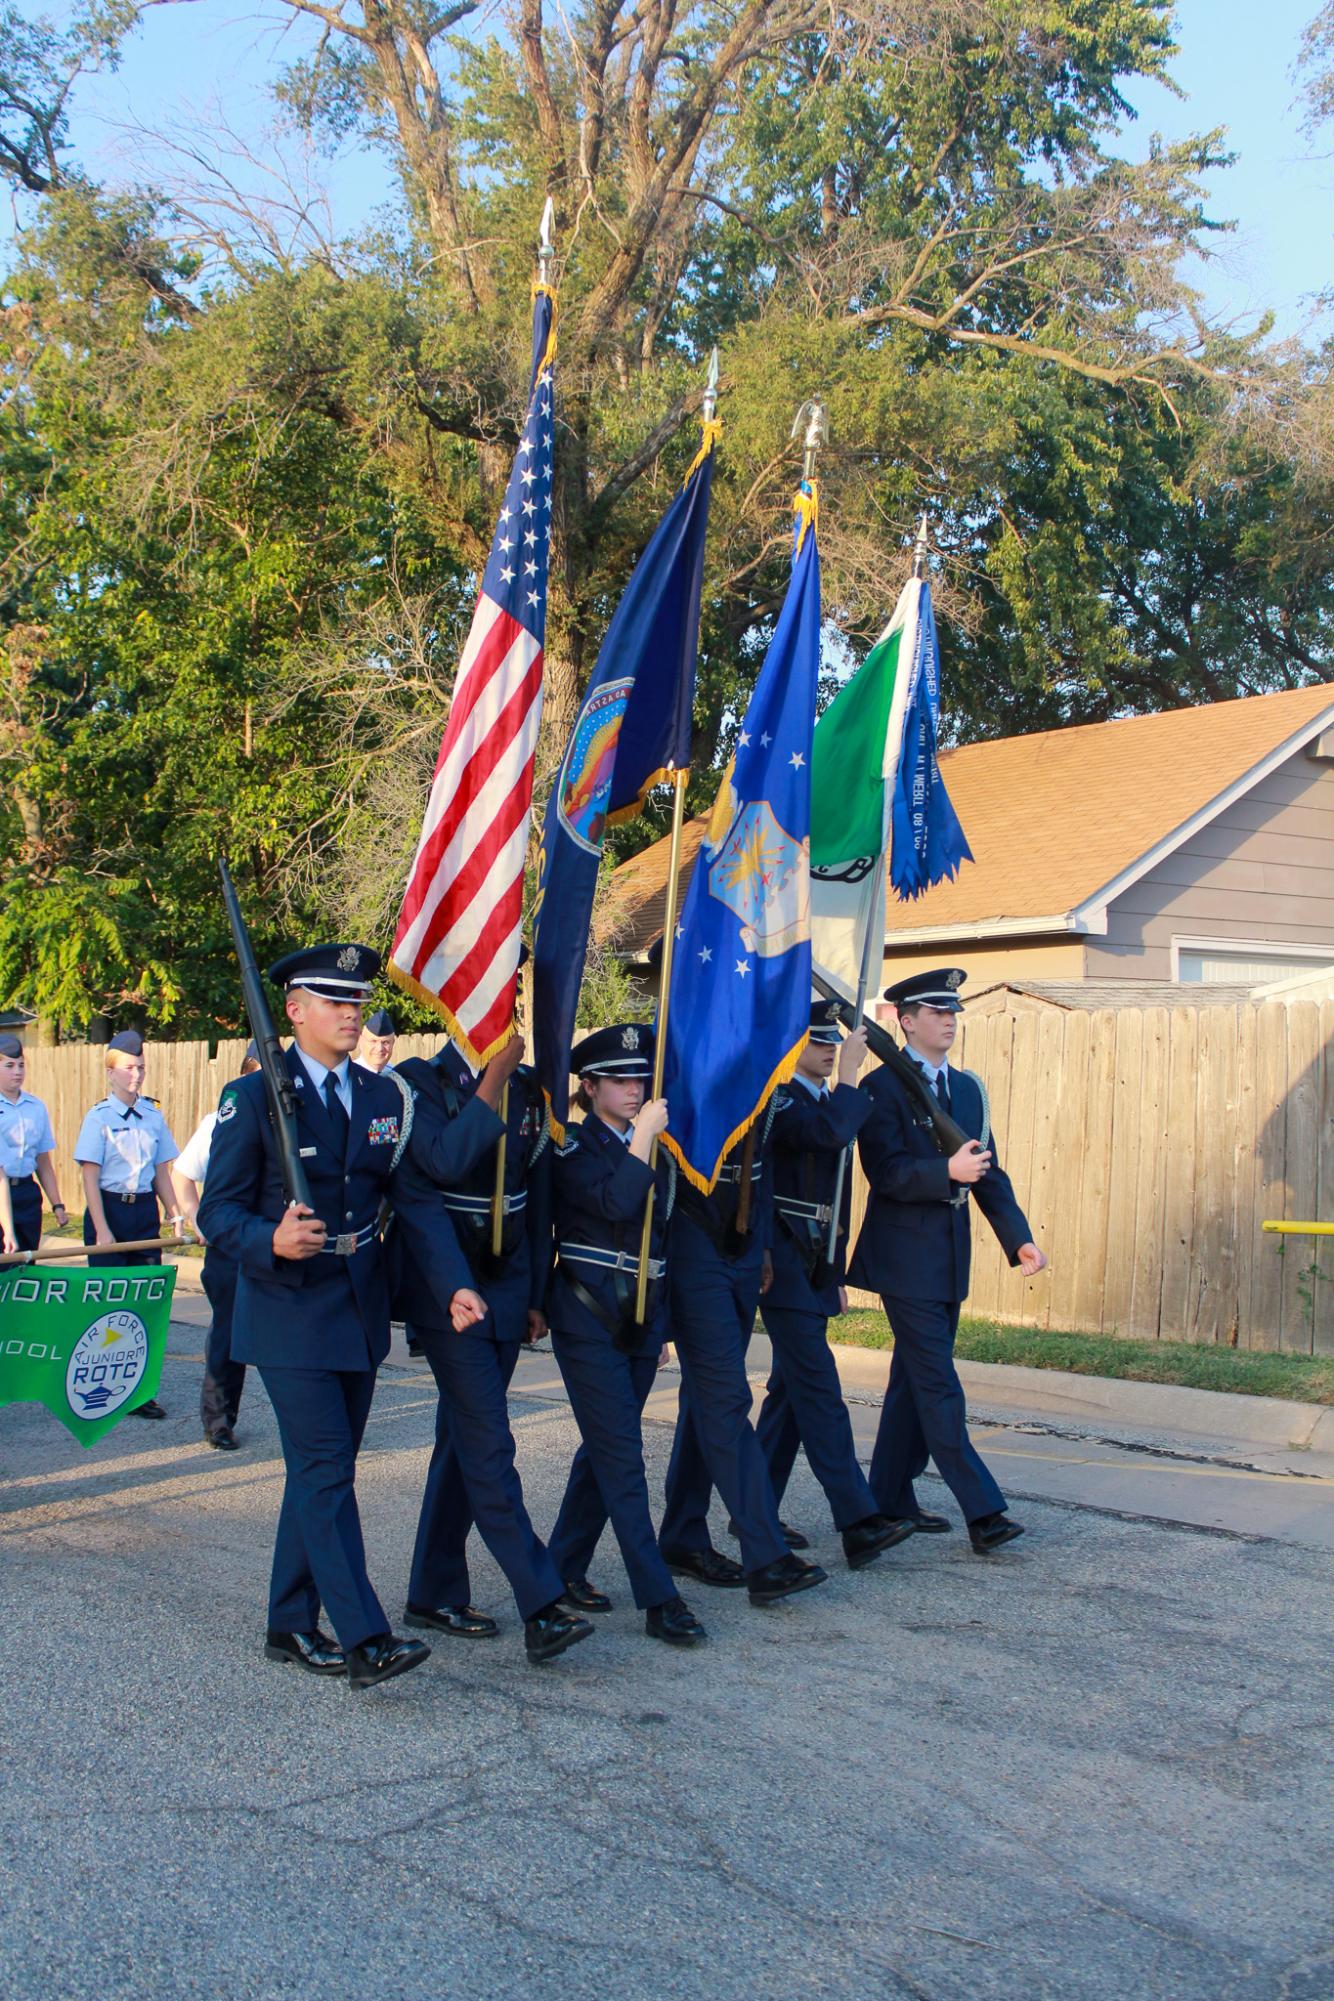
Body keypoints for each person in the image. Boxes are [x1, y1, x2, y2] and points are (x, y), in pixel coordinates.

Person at [198, 940, 479, 1690]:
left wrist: (450, 1281)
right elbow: (214, 1210)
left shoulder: (383, 1096)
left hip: (358, 1305)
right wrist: (270, 1238)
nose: (351, 1012)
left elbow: (411, 1199)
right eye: (334, 1000)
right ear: (294, 1011)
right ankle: (367, 1636)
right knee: (325, 1470)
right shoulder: (254, 1097)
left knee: (322, 1472)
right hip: (288, 1309)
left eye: (355, 1000)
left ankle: (289, 1622)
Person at [391, 1015, 594, 1668]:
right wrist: (496, 1074)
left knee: (463, 1442)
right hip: (446, 1286)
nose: (504, 1003)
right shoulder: (417, 1084)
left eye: (512, 987)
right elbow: (446, 1160)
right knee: (488, 1439)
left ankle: (433, 1590)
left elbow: (536, 1200)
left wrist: (535, 1293)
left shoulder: (531, 1092)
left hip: (506, 1289)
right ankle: (541, 1600)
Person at [848, 968, 1048, 1554]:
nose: (950, 1019)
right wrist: (944, 1173)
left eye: (954, 1010)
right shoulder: (881, 1090)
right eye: (937, 1011)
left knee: (913, 1383)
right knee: (939, 1386)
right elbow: (884, 1173)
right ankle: (983, 1512)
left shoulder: (967, 1089)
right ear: (906, 1021)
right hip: (902, 1259)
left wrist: (1018, 1239)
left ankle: (886, 1496)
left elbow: (990, 1171)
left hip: (948, 1259)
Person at [545, 1026, 706, 1649]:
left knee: (603, 1450)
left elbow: (657, 1240)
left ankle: (561, 1567)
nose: (634, 1088)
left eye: (639, 1078)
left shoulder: (655, 1149)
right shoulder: (573, 1147)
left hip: (640, 1321)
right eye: (619, 1079)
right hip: (586, 1319)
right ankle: (659, 1597)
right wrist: (642, 1139)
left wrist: (659, 1326)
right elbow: (615, 1204)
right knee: (622, 1457)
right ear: (589, 1088)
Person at [753, 1003, 911, 1570]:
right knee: (819, 1387)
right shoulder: (781, 1101)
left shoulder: (822, 1099)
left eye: (832, 1041)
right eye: (817, 1041)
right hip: (781, 1261)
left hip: (815, 1263)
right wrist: (849, 1076)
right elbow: (827, 1138)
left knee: (792, 1397)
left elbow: (837, 1201)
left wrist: (836, 1270)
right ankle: (858, 1519)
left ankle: (757, 1508)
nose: (828, 1048)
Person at [658, 1089, 828, 1610]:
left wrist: (765, 1248)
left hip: (745, 1242)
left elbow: (764, 1162)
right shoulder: (684, 1051)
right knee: (727, 1400)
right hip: (694, 1239)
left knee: (707, 1402)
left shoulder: (759, 1072)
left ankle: (683, 1535)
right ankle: (766, 1555)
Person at [74, 1028, 185, 1419]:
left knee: (142, 1304)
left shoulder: (152, 1115)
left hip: (141, 1213)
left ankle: (138, 1392)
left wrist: (174, 1213)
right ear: (110, 1072)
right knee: (108, 1305)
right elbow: (90, 1174)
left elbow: (160, 1171)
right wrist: (102, 1228)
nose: (136, 1075)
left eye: (140, 1067)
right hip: (109, 1211)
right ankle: (96, 1387)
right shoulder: (98, 1117)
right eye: (128, 1068)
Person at [171, 1042, 262, 1450]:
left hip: (269, 1242)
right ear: (245, 1073)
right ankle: (219, 1420)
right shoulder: (219, 1120)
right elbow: (182, 1175)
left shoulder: (294, 1115)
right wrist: (197, 1218)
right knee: (228, 1332)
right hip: (229, 1246)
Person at [0, 1032, 69, 1251]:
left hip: (26, 1193)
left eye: (21, 1065)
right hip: (1, 1190)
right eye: (10, 1066)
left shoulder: (35, 1107)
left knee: (27, 1263)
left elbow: (43, 1161)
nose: (18, 1072)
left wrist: (57, 1204)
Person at [356, 1009, 397, 1075]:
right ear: (361, 1041)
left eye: (385, 1042)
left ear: (393, 1043)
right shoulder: (349, 1076)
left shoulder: (396, 1076)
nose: (379, 1048)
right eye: (373, 1041)